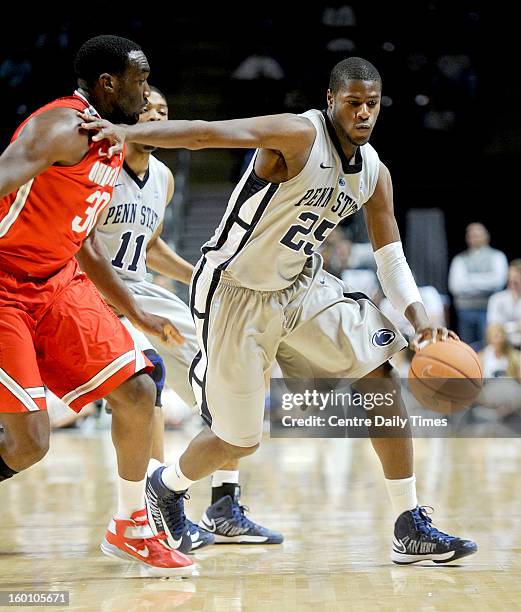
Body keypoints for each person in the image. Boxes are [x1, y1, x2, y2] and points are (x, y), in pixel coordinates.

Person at [80, 56, 477, 564]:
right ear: (331, 100)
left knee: (377, 368)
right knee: (237, 440)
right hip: (234, 291)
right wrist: (117, 129)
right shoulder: (297, 135)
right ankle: (167, 485)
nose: (362, 114)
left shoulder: (374, 173)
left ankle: (409, 521)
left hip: (300, 285)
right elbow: (205, 133)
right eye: (352, 102)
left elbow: (390, 257)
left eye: (371, 105)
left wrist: (421, 323)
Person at [0, 35, 193, 577]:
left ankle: (131, 527)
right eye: (141, 79)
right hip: (5, 284)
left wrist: (136, 311)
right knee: (29, 444)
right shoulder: (61, 127)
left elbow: (83, 241)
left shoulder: (112, 139)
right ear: (109, 84)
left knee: (137, 389)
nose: (148, 89)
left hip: (58, 279)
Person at [78, 86, 281, 550]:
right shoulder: (99, 171)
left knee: (225, 372)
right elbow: (81, 247)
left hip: (143, 287)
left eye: (165, 112)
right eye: (147, 109)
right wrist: (132, 307)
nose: (156, 117)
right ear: (127, 116)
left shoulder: (164, 178)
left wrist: (200, 276)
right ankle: (151, 512)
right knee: (149, 372)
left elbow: (149, 246)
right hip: (94, 292)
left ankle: (224, 506)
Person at [448, 222, 508, 348]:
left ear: (486, 236)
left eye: (477, 235)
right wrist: (485, 279)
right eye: (471, 235)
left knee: (489, 346)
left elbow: (497, 282)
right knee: (466, 347)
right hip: (465, 310)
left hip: (488, 310)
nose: (473, 238)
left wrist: (469, 280)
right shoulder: (460, 259)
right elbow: (456, 286)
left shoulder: (497, 256)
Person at [487, 260, 521, 349]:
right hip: (503, 347)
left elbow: (501, 327)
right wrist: (517, 326)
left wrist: (505, 327)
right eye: (510, 277)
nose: (513, 280)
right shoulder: (496, 299)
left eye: (517, 277)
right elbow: (494, 327)